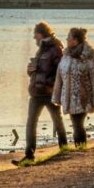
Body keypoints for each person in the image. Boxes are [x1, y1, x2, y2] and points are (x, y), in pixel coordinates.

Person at [16, 21, 66, 164]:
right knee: (31, 123)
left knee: (57, 121)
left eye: (35, 34)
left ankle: (64, 149)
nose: (34, 38)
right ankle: (29, 155)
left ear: (41, 34)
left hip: (49, 92)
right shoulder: (41, 49)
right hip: (36, 92)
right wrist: (30, 70)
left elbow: (61, 71)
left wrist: (52, 85)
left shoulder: (56, 49)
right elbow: (37, 70)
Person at [54, 26, 94, 146]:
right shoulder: (66, 54)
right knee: (76, 123)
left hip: (83, 96)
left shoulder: (88, 55)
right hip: (68, 96)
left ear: (75, 40)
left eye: (69, 37)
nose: (66, 39)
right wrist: (57, 96)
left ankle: (80, 148)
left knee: (77, 123)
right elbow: (59, 76)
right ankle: (80, 148)